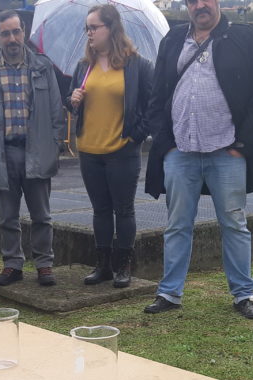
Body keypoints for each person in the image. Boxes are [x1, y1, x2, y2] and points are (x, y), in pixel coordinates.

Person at [142, 0, 253, 319]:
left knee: (234, 224)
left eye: (206, 0)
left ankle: (244, 294)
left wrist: (243, 142)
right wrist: (167, 143)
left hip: (226, 149)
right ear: (187, 5)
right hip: (180, 151)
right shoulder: (173, 40)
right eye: (193, 1)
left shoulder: (242, 37)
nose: (201, 6)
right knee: (177, 224)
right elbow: (156, 95)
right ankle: (170, 293)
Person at [0, 9, 64, 287]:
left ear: (23, 32)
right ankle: (12, 264)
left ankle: (44, 264)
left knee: (41, 215)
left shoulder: (43, 68)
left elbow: (57, 113)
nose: (12, 38)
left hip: (36, 150)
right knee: (7, 216)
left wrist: (54, 145)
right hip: (1, 152)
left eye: (16, 31)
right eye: (5, 33)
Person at [65, 4, 153, 288]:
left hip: (122, 151)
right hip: (89, 151)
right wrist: (73, 100)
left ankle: (123, 265)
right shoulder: (84, 66)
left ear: (111, 28)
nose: (89, 33)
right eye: (87, 28)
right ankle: (102, 265)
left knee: (123, 210)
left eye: (94, 27)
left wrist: (134, 136)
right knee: (100, 210)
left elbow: (152, 107)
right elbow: (71, 102)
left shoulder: (136, 65)